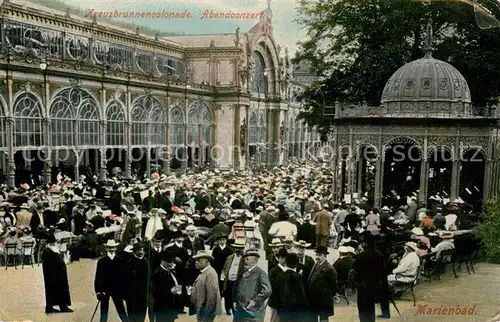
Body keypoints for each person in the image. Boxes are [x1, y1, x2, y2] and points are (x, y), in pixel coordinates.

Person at [353, 232, 386, 322]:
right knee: (371, 307)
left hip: (363, 285)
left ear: (364, 243)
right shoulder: (379, 254)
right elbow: (383, 271)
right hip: (374, 284)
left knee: (363, 308)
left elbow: (356, 270)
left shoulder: (362, 256)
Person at [232, 249, 272, 322]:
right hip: (240, 310)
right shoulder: (243, 272)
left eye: (247, 259)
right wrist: (235, 301)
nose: (245, 261)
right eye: (244, 259)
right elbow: (237, 287)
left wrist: (255, 300)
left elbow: (267, 290)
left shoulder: (260, 273)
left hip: (253, 313)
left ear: (255, 261)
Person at [94, 239, 128, 322]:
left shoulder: (120, 261)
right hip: (105, 290)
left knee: (121, 309)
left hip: (117, 289)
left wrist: (124, 289)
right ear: (106, 248)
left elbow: (123, 277)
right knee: (104, 311)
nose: (111, 249)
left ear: (116, 248)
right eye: (109, 247)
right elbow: (98, 277)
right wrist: (98, 291)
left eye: (113, 247)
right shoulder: (101, 261)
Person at [150, 249, 184, 322]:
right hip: (163, 310)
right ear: (162, 261)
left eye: (172, 261)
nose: (172, 264)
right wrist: (170, 292)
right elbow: (157, 294)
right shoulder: (157, 274)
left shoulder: (170, 271)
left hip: (171, 308)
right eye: (169, 262)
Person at [42, 234, 73, 314]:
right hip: (54, 275)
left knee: (57, 290)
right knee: (56, 290)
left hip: (57, 274)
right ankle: (57, 307)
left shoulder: (50, 250)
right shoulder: (48, 251)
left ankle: (59, 306)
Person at [306, 246, 337, 322]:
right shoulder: (316, 264)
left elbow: (333, 286)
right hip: (313, 298)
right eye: (316, 254)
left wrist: (330, 295)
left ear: (325, 256)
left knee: (323, 319)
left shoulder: (329, 269)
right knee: (312, 318)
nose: (317, 257)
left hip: (323, 300)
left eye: (319, 255)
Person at [190, 250, 222, 322]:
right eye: (195, 260)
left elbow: (212, 296)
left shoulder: (210, 273)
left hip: (206, 312)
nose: (196, 262)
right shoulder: (205, 272)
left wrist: (206, 314)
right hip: (202, 310)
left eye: (198, 260)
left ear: (207, 261)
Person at [278, 253, 308, 322]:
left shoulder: (280, 276)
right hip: (295, 312)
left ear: (286, 263)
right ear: (297, 264)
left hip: (283, 311)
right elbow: (301, 296)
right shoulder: (297, 277)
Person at [125, 240, 149, 322]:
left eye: (142, 250)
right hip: (132, 295)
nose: (142, 252)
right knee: (132, 316)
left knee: (142, 314)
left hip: (143, 293)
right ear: (135, 251)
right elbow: (126, 280)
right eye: (139, 250)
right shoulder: (130, 262)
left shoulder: (146, 261)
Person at [221, 239, 246, 315]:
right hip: (229, 278)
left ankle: (235, 308)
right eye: (237, 248)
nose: (238, 249)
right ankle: (227, 308)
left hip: (237, 280)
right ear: (234, 248)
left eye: (240, 248)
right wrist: (223, 275)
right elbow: (225, 267)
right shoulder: (230, 257)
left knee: (235, 295)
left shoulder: (244, 258)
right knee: (227, 294)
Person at [268, 247, 288, 322]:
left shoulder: (289, 270)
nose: (284, 259)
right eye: (282, 257)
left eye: (285, 257)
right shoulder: (273, 271)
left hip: (286, 303)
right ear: (278, 258)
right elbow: (272, 287)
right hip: (275, 303)